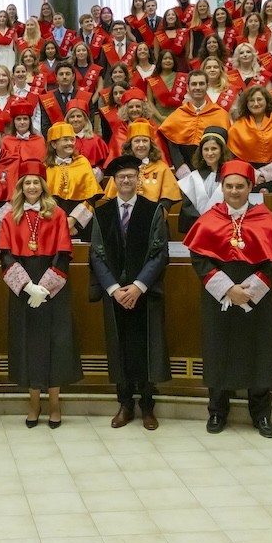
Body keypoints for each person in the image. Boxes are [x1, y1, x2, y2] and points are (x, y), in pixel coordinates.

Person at [183, 160, 272, 439]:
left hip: (257, 297)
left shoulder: (264, 217)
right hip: (218, 296)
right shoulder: (209, 218)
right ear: (222, 187)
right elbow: (199, 259)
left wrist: (250, 290)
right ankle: (217, 411)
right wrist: (227, 289)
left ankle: (262, 414)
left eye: (239, 186)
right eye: (229, 186)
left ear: (249, 188)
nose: (234, 191)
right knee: (218, 349)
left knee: (259, 351)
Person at [0, 158, 81, 428]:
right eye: (27, 182)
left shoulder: (56, 214)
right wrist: (26, 286)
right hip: (23, 290)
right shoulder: (11, 216)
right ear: (21, 186)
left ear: (43, 186)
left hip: (52, 288)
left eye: (36, 182)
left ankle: (55, 404)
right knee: (27, 344)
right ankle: (33, 403)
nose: (32, 186)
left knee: (55, 344)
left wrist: (44, 288)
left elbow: (63, 255)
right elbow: (6, 256)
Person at [89, 156, 171, 430]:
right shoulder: (102, 212)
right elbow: (96, 255)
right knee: (120, 348)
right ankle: (125, 404)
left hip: (144, 294)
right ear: (113, 182)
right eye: (121, 177)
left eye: (130, 176)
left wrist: (138, 286)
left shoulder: (153, 210)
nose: (126, 181)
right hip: (115, 296)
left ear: (139, 180)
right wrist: (114, 289)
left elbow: (159, 253)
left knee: (145, 349)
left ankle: (147, 406)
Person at [158, 70, 231, 168]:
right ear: (188, 88)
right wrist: (181, 169)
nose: (197, 87)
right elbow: (172, 145)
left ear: (207, 86)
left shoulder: (221, 114)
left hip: (214, 169)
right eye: (194, 84)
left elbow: (226, 148)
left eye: (201, 84)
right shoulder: (178, 115)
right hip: (185, 170)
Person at [177, 126, 235, 234]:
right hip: (198, 232)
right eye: (206, 149)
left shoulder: (231, 177)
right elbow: (188, 210)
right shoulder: (193, 178)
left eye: (214, 149)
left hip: (224, 231)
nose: (209, 153)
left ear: (222, 150)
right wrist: (203, 225)